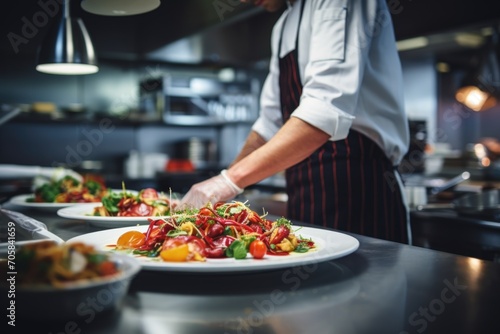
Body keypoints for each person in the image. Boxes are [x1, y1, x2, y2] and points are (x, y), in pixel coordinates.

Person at [179, 0, 411, 244]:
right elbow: (269, 125)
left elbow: (323, 112)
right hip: (304, 192)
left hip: (358, 188)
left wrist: (229, 181)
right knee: (314, 274)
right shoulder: (282, 27)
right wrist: (222, 185)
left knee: (366, 279)